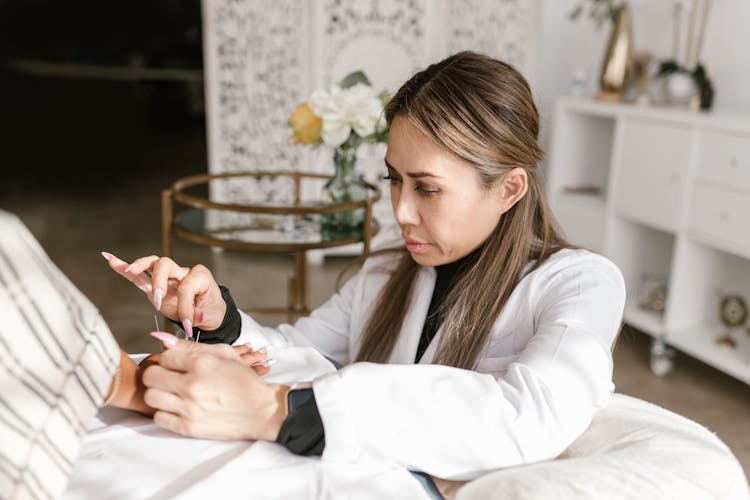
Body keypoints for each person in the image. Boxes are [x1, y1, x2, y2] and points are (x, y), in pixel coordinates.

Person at [104, 51, 626, 480]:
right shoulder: (387, 272)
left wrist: (280, 411)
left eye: (426, 188)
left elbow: (529, 416)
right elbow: (298, 349)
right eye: (393, 180)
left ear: (509, 188)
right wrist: (220, 320)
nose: (400, 210)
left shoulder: (579, 284)